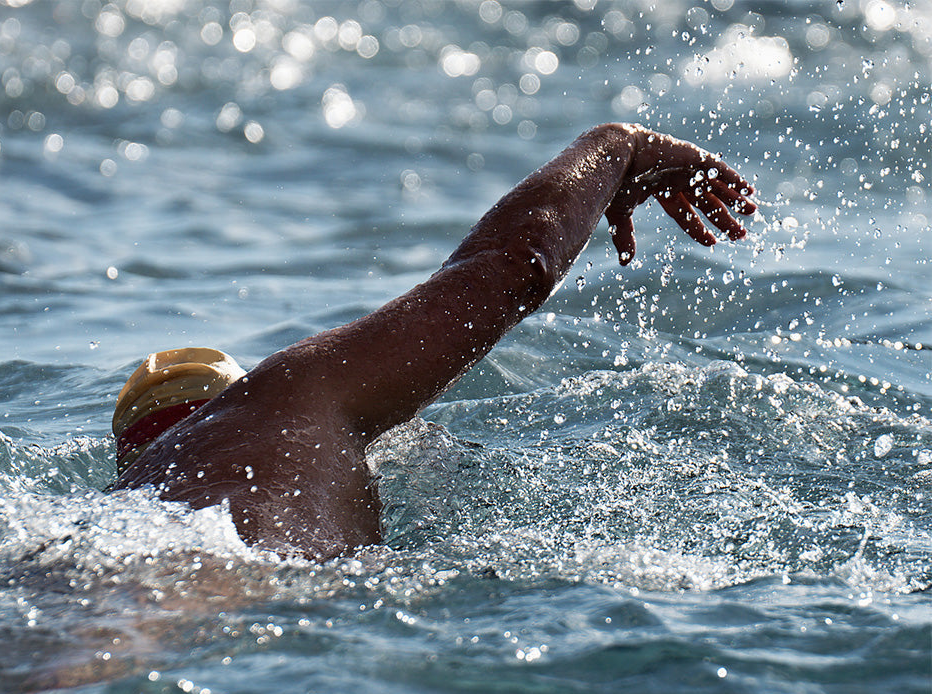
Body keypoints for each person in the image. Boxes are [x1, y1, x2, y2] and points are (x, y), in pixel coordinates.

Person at [111, 123, 757, 560]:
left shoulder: (128, 503)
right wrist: (617, 148)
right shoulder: (282, 405)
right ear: (232, 395)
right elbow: (511, 268)